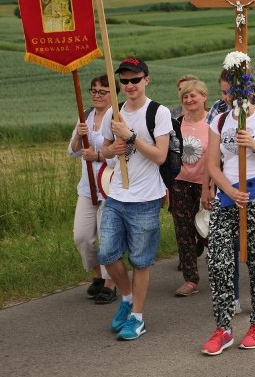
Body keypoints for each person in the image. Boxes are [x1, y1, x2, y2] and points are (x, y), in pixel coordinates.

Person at [201, 83, 255, 355]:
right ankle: (223, 327)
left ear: (248, 90)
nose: (226, 96)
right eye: (223, 91)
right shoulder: (220, 119)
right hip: (228, 197)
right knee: (217, 260)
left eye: (232, 91)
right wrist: (231, 191)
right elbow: (213, 164)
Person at [98, 58, 171, 341]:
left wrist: (130, 138)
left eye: (135, 80)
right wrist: (112, 148)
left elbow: (160, 156)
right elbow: (103, 151)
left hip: (146, 198)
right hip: (117, 194)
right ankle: (126, 298)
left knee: (140, 261)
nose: (129, 86)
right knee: (107, 253)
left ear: (146, 80)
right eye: (124, 81)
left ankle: (137, 318)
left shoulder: (158, 112)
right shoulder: (112, 114)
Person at [68, 74, 118, 305]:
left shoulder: (117, 118)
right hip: (87, 188)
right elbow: (73, 151)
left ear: (113, 95)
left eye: (103, 91)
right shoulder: (86, 115)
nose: (97, 95)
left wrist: (97, 155)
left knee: (108, 239)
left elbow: (121, 156)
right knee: (82, 236)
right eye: (94, 91)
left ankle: (110, 282)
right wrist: (79, 135)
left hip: (109, 187)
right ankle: (97, 273)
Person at [170, 75, 209, 297]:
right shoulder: (176, 124)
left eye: (193, 95)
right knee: (183, 230)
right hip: (181, 183)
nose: (188, 99)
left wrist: (210, 186)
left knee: (207, 230)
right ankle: (190, 279)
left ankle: (220, 269)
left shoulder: (214, 122)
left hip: (206, 183)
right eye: (185, 96)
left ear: (204, 96)